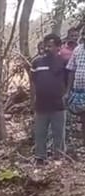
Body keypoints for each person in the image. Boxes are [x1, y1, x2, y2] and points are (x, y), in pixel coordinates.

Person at [32, 33, 67, 164]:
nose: (47, 49)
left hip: (58, 104)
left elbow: (68, 80)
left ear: (59, 47)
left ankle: (59, 157)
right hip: (41, 104)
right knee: (40, 132)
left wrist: (66, 94)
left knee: (59, 133)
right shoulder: (36, 62)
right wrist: (32, 100)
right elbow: (33, 83)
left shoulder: (64, 62)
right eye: (46, 46)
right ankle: (40, 157)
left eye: (50, 46)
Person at [66, 28, 85, 142]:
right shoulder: (77, 50)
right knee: (82, 117)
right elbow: (71, 70)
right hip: (78, 92)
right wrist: (68, 91)